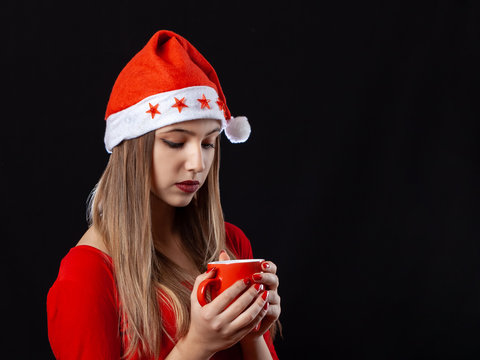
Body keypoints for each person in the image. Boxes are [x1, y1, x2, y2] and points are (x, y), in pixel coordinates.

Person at [47, 30, 281, 359]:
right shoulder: (87, 276)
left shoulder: (228, 243)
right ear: (131, 149)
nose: (197, 164)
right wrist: (197, 345)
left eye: (209, 143)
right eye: (175, 141)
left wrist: (252, 329)